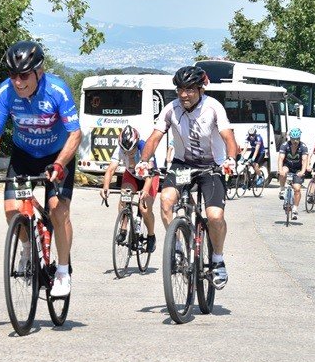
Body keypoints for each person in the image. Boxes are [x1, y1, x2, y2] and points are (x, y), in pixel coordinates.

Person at [0, 41, 82, 297]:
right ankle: (26, 249)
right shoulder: (5, 92)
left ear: (39, 72)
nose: (18, 81)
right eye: (12, 74)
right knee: (12, 210)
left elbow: (75, 134)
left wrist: (59, 164)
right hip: (24, 155)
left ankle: (63, 272)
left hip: (57, 157)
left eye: (23, 75)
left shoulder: (57, 90)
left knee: (58, 211)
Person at [135, 65, 238, 287]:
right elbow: (154, 137)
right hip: (182, 165)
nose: (184, 94)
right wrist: (144, 161)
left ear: (201, 89)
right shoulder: (171, 108)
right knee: (165, 201)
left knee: (214, 216)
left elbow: (228, 137)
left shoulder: (213, 107)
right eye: (180, 89)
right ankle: (179, 248)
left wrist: (230, 159)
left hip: (212, 166)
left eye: (190, 89)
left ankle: (218, 260)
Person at [100, 125, 159, 254]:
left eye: (131, 151)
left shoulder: (144, 148)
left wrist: (144, 190)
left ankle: (151, 236)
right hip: (132, 176)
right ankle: (123, 229)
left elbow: (149, 175)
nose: (128, 154)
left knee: (144, 208)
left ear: (136, 144)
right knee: (124, 198)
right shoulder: (120, 149)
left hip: (149, 177)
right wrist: (105, 187)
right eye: (125, 151)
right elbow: (110, 170)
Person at [277, 128, 310, 220]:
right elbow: (280, 159)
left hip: (298, 168)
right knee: (283, 172)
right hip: (288, 165)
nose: (295, 141)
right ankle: (282, 189)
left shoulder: (303, 146)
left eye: (297, 139)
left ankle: (295, 208)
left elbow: (304, 160)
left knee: (297, 189)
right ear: (290, 138)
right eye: (293, 139)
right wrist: (280, 170)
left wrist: (303, 171)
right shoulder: (284, 145)